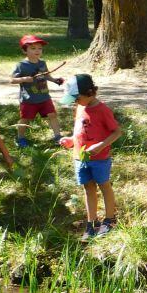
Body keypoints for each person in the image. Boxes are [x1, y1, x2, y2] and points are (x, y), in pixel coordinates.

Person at [59, 74, 122, 241]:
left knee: (104, 186)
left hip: (100, 158)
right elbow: (79, 131)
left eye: (76, 98)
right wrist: (71, 141)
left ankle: (110, 219)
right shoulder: (80, 107)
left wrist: (100, 146)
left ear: (89, 93)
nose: (74, 101)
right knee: (88, 188)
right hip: (80, 158)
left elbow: (117, 132)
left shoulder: (102, 110)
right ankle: (91, 222)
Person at [10, 34, 65, 147]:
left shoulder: (42, 63)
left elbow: (46, 75)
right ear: (25, 51)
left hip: (44, 97)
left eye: (40, 48)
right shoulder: (21, 65)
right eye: (33, 48)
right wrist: (24, 79)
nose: (37, 51)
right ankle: (20, 138)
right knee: (25, 119)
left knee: (52, 115)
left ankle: (57, 136)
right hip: (29, 99)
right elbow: (12, 80)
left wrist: (55, 80)